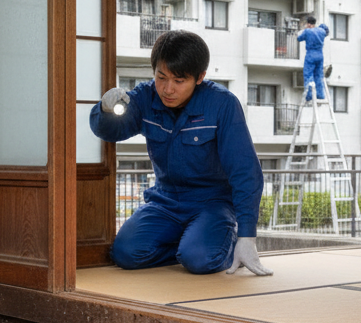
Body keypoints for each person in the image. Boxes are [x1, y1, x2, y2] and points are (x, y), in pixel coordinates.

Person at [91, 30, 269, 276]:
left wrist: (247, 236)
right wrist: (104, 110)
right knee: (125, 253)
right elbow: (111, 132)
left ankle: (215, 245)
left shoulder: (222, 104)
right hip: (165, 202)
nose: (167, 89)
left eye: (179, 81)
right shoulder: (144, 97)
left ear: (200, 77)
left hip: (212, 204)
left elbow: (245, 171)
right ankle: (191, 246)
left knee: (200, 260)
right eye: (161, 77)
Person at [296, 16, 330, 102]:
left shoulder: (307, 31)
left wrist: (302, 30)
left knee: (308, 74)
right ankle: (320, 94)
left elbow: (299, 38)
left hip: (310, 54)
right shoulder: (321, 31)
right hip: (320, 55)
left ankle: (310, 95)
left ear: (308, 24)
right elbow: (326, 30)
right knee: (318, 75)